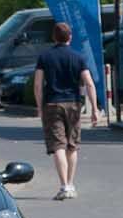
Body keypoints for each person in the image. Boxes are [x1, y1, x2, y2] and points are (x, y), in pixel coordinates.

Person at [33, 20, 100, 199]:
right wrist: (94, 108)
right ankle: (70, 184)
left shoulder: (44, 57)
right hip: (74, 104)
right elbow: (89, 83)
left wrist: (39, 107)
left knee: (58, 146)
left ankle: (63, 186)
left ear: (54, 37)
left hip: (52, 104)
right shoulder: (78, 58)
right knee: (72, 145)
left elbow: (38, 84)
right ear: (70, 37)